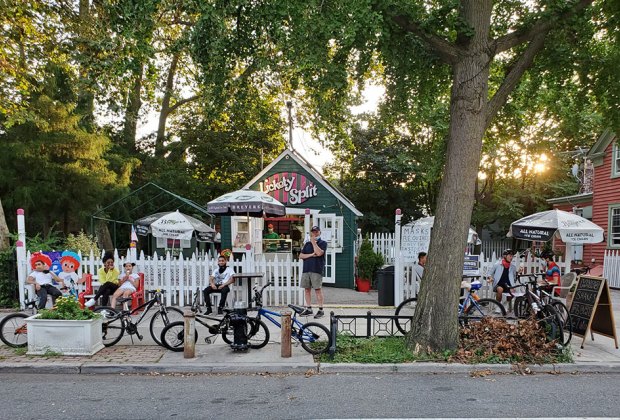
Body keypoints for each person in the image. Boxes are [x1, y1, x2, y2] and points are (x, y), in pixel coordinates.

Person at [299, 225, 328, 319]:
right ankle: (309, 308)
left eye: (316, 231)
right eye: (313, 232)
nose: (315, 233)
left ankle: (320, 310)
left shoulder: (323, 243)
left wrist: (314, 243)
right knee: (307, 289)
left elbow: (319, 253)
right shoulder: (307, 244)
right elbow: (301, 256)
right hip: (306, 269)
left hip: (316, 269)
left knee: (317, 290)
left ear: (319, 232)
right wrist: (312, 254)